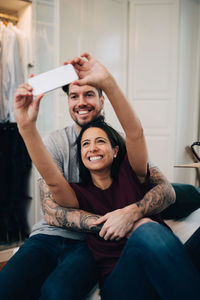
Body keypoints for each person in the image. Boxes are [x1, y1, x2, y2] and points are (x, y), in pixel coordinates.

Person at [13, 52, 200, 299]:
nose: (92, 148)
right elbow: (53, 180)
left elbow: (135, 133)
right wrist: (27, 129)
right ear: (79, 156)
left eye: (100, 141)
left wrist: (108, 83)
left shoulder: (132, 174)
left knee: (148, 225)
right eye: (85, 145)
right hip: (121, 279)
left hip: (160, 260)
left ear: (115, 151)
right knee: (146, 228)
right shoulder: (80, 195)